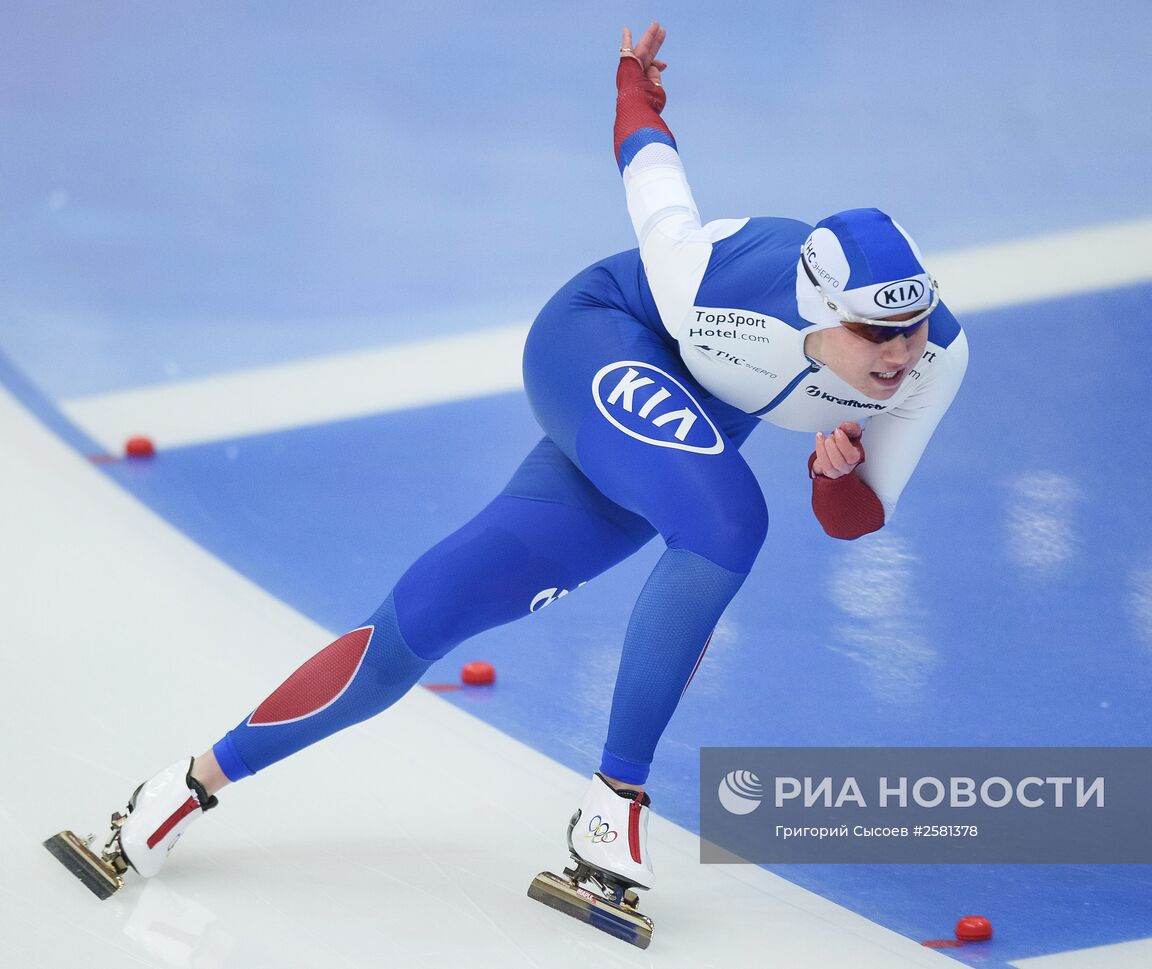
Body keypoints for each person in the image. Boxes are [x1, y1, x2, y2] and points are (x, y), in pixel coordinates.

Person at [51, 21, 967, 910]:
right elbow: (654, 179)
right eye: (873, 332)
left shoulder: (937, 364)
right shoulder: (709, 286)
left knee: (437, 607)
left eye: (912, 325)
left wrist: (835, 476)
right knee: (727, 519)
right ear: (815, 314)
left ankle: (175, 789)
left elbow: (855, 519)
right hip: (601, 336)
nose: (897, 353)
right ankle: (614, 810)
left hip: (679, 423)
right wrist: (633, 87)